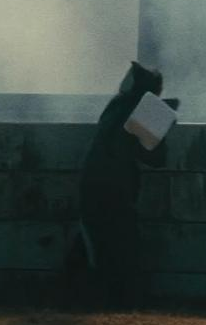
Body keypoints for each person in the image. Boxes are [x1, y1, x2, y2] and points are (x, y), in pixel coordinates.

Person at [70, 61, 169, 308]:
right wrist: (163, 123)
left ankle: (85, 296)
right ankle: (120, 299)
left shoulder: (116, 105)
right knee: (123, 246)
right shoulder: (146, 109)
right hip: (115, 188)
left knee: (97, 245)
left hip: (91, 183)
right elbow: (156, 158)